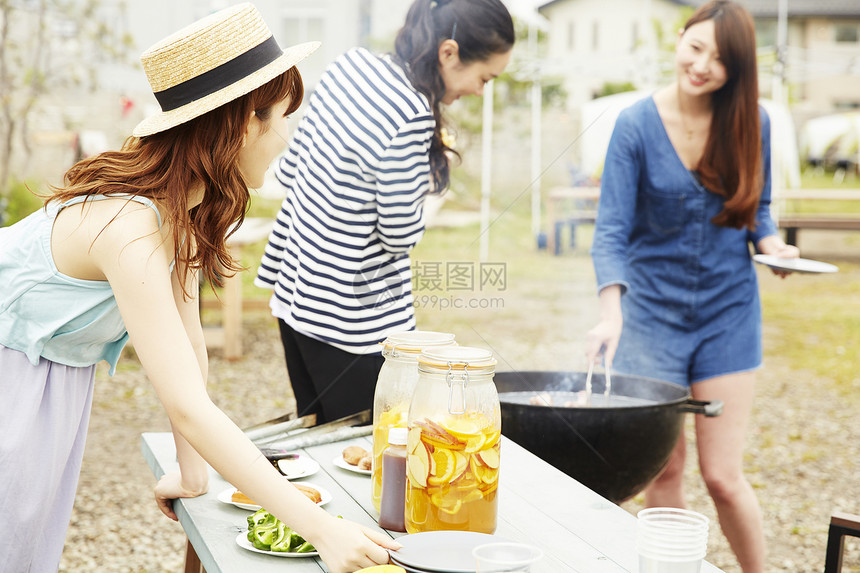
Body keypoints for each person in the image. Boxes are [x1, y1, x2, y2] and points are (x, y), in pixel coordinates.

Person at [0, 4, 399, 572]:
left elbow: (189, 353)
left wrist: (192, 473)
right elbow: (187, 405)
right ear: (243, 122)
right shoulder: (130, 226)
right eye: (284, 117)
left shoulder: (184, 211)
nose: (288, 135)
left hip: (45, 386)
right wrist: (322, 530)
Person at [586, 2, 799, 572]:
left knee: (723, 477)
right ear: (680, 39)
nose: (702, 65)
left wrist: (774, 245)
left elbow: (761, 210)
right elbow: (610, 233)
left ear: (738, 70)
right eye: (696, 47)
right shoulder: (634, 124)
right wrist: (612, 314)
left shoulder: (753, 121)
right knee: (665, 468)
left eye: (722, 60)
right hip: (650, 316)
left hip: (728, 314)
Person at [255, 0, 514, 423]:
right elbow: (398, 235)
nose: (480, 91)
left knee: (318, 440)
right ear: (448, 53)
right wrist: (431, 195)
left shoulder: (348, 65)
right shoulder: (411, 113)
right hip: (355, 326)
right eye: (484, 77)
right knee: (370, 454)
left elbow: (289, 166)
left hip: (295, 296)